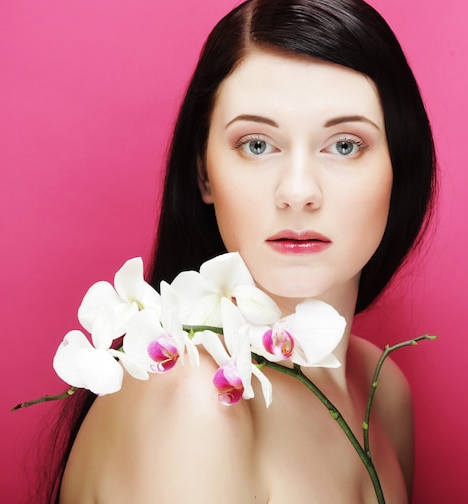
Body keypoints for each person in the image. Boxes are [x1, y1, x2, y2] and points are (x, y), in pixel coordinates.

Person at [36, 0, 436, 502]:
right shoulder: (194, 403)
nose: (297, 192)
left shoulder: (386, 393)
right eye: (256, 144)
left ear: (401, 167)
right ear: (204, 172)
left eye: (345, 144)